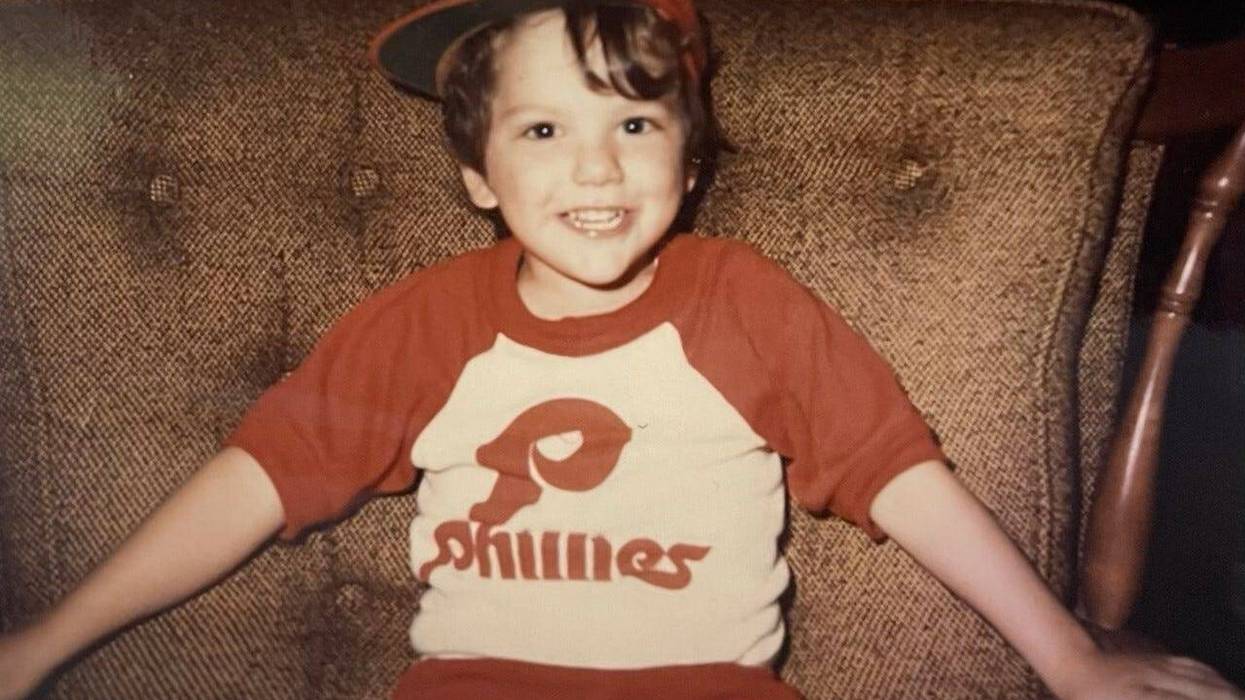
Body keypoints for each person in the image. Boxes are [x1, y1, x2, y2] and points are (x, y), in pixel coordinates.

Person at [0, 1, 1241, 698]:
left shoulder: (740, 298)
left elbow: (902, 476)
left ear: (687, 164)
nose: (594, 165)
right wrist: (43, 644)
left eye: (633, 120)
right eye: (543, 127)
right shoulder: (428, 319)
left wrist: (1070, 653)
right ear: (480, 177)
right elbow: (250, 482)